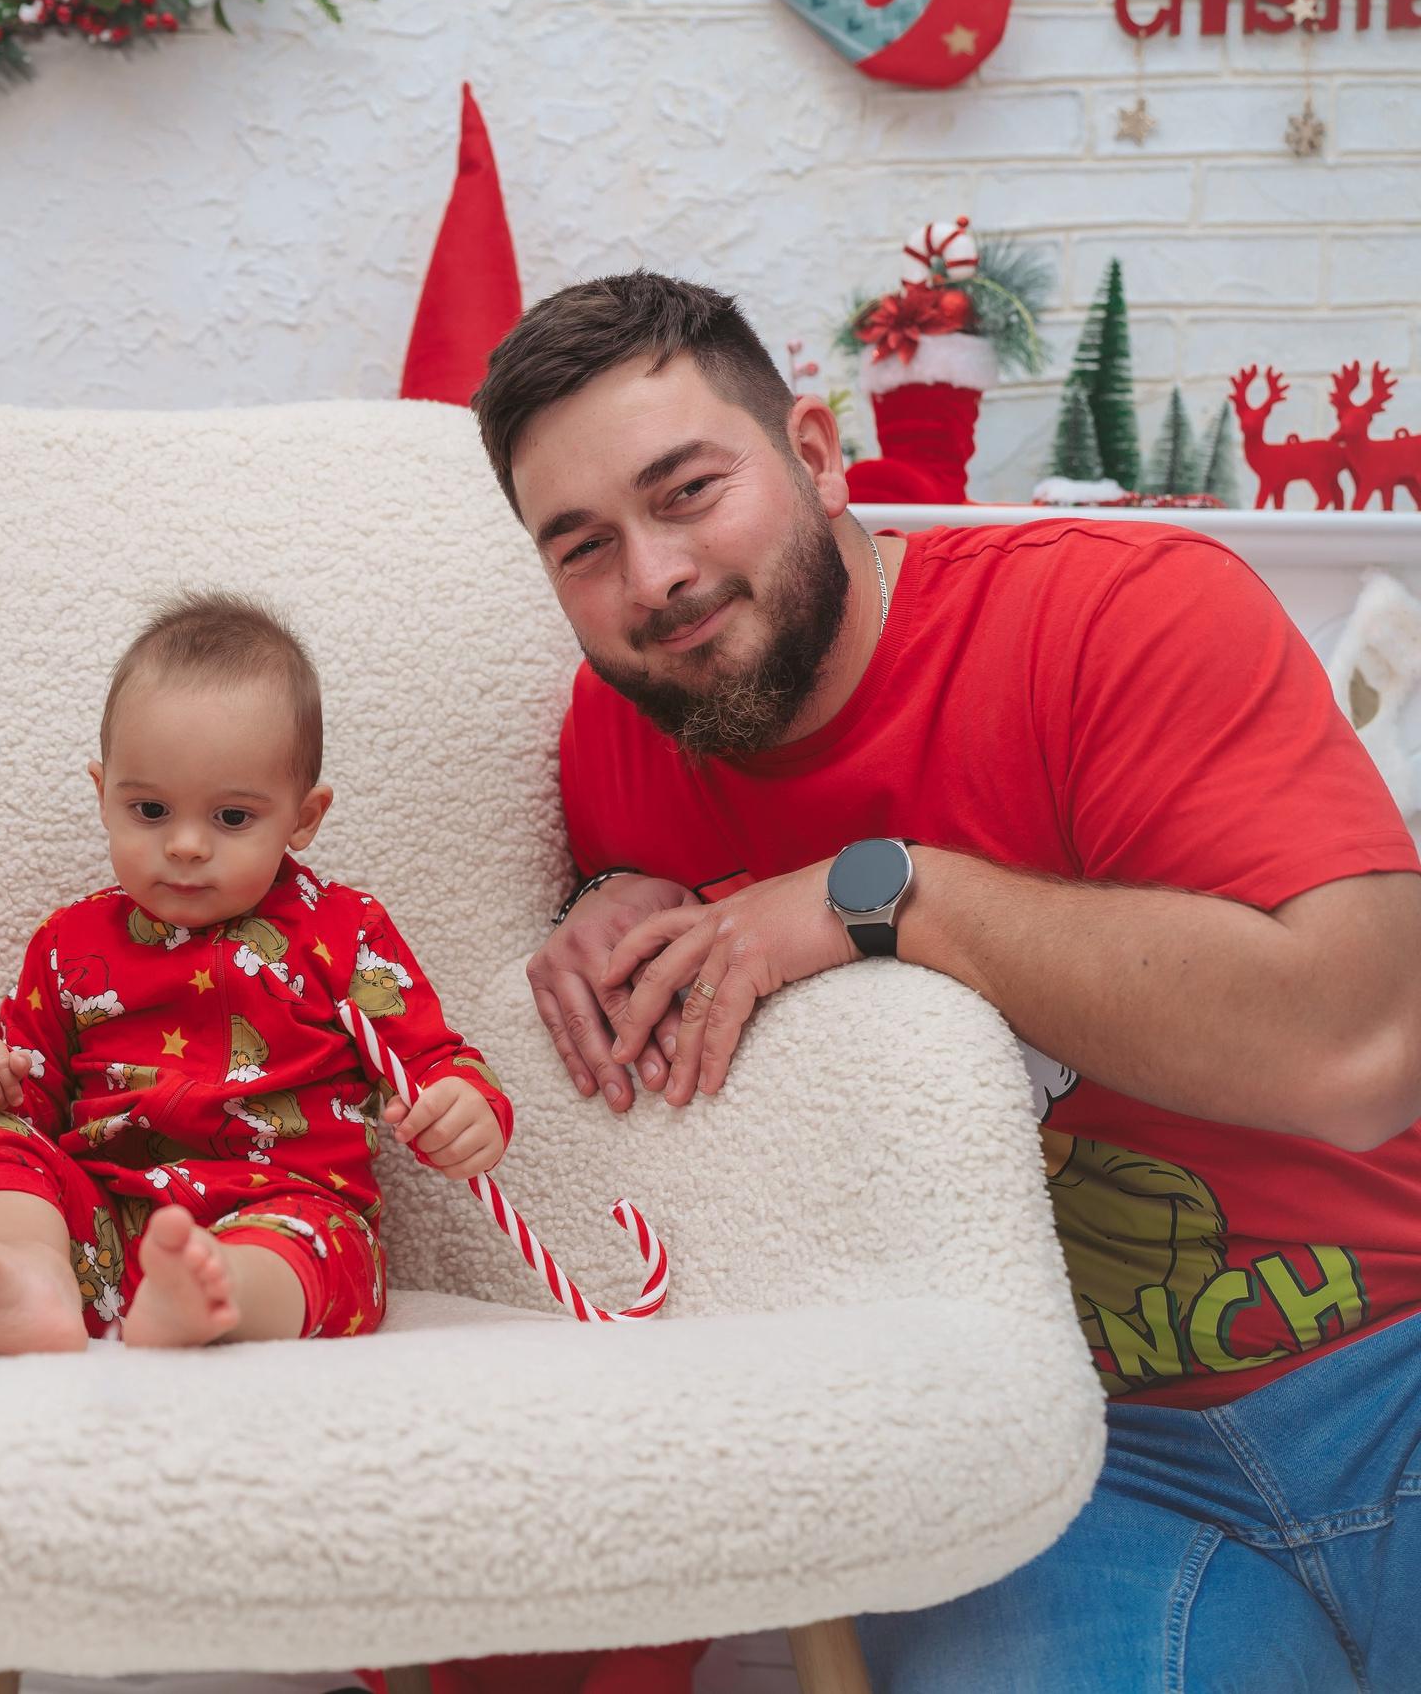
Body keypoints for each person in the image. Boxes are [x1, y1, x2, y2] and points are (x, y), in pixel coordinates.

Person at [475, 271, 1421, 1690]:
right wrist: (593, 898)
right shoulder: (620, 745)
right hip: (1058, 1465)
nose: (653, 575)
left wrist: (897, 893)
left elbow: (1364, 1054)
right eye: (582, 544)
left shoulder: (1121, 612)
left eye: (687, 492)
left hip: (1393, 1353)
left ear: (814, 451)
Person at [0, 593, 512, 1351]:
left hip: (284, 1215)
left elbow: (429, 1059)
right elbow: (24, 1098)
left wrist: (464, 1105)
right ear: (103, 796)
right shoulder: (70, 942)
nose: (187, 845)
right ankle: (29, 1277)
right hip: (103, 1223)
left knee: (323, 1246)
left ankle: (216, 1297)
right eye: (151, 809)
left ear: (303, 816)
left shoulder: (345, 931)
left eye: (231, 818)